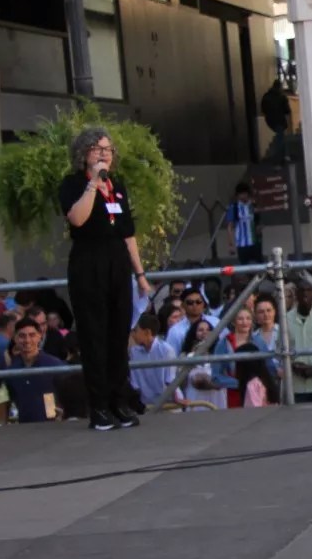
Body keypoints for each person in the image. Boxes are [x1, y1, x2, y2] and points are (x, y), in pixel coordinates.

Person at [58, 126, 153, 432]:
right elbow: (77, 219)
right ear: (83, 153)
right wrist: (93, 185)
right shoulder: (73, 184)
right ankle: (98, 406)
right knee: (94, 336)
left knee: (117, 335)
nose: (104, 154)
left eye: (108, 149)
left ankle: (118, 401)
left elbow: (127, 233)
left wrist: (140, 274)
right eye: (98, 149)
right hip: (88, 263)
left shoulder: (118, 186)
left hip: (117, 263)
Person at [5, 320, 65, 423]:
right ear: (15, 338)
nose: (27, 340)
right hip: (22, 428)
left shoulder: (54, 365)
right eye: (22, 336)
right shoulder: (12, 370)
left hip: (51, 426)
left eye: (32, 335)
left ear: (39, 336)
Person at [129, 312, 178, 410]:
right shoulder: (134, 351)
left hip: (169, 404)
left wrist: (177, 399)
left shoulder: (166, 350)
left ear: (147, 332)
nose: (133, 335)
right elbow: (134, 383)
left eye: (135, 331)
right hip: (147, 406)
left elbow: (170, 379)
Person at [180, 319, 228, 410]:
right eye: (200, 330)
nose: (205, 333)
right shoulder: (186, 356)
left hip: (217, 401)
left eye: (208, 330)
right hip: (195, 401)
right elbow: (183, 382)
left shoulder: (220, 354)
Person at [166, 288, 219, 353]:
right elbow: (172, 356)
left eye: (198, 302)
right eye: (190, 302)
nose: (195, 305)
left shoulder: (215, 321)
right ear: (183, 305)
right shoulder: (175, 330)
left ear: (203, 304)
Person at [226, 181, 263, 264]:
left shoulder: (253, 205)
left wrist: (259, 227)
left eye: (245, 193)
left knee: (259, 265)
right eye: (241, 194)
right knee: (245, 267)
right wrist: (231, 244)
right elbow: (229, 227)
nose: (244, 196)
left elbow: (258, 222)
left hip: (255, 242)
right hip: (242, 244)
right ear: (237, 195)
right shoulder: (234, 207)